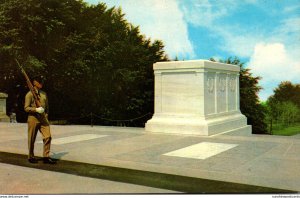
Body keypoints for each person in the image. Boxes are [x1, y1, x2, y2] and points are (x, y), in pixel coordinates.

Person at [24, 75, 56, 164]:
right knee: (31, 138)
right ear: (34, 83)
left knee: (48, 136)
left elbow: (47, 107)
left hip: (43, 119)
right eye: (39, 81)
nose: (41, 83)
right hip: (33, 118)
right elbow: (26, 108)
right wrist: (36, 109)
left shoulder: (44, 94)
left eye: (42, 81)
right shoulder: (29, 94)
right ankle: (31, 156)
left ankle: (46, 156)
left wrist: (46, 115)